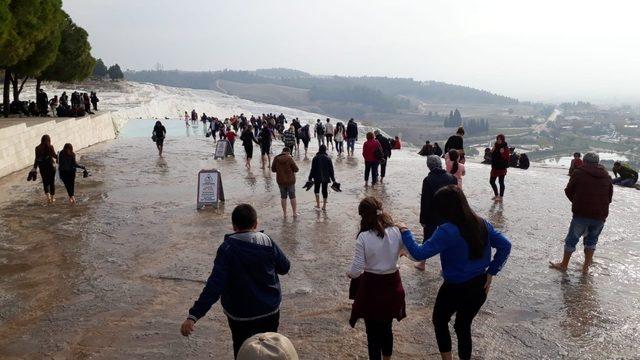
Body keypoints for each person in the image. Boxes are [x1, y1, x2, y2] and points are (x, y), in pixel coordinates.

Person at [400, 185, 511, 360]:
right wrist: (491, 272)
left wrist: (405, 232)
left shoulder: (446, 231)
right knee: (463, 326)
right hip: (479, 285)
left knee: (439, 321)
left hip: (454, 288)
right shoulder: (481, 222)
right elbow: (506, 245)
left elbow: (419, 253)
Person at [181, 204, 291, 358]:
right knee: (270, 352)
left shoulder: (227, 249)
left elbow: (214, 286)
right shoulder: (266, 241)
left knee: (242, 352)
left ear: (233, 226)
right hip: (269, 310)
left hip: (240, 315)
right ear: (256, 224)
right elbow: (285, 267)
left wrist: (193, 316)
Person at [348, 197, 408, 360]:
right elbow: (409, 253)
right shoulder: (396, 231)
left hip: (371, 289)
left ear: (363, 216)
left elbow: (356, 270)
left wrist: (349, 273)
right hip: (393, 285)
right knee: (387, 328)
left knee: (372, 333)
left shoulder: (363, 237)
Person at [550, 153, 613, 273]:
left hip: (582, 213)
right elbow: (609, 197)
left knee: (571, 239)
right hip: (600, 215)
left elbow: (568, 190)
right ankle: (585, 268)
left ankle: (564, 265)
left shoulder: (578, 173)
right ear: (597, 163)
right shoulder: (607, 176)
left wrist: (577, 202)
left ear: (584, 161)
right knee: (592, 240)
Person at [414, 156, 458, 271]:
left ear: (429, 166)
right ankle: (446, 268)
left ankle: (422, 263)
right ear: (440, 164)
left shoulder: (428, 180)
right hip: (449, 215)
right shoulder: (452, 178)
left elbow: (425, 201)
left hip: (432, 215)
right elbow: (456, 198)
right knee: (448, 240)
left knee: (427, 239)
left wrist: (423, 219)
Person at [271, 148, 299, 218]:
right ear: (288, 152)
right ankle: (294, 213)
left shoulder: (276, 158)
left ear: (282, 151)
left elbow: (273, 170)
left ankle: (285, 214)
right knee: (292, 197)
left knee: (283, 197)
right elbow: (296, 169)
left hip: (281, 181)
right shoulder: (289, 158)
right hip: (290, 181)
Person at [308, 145, 335, 211]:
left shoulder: (315, 158)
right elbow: (331, 170)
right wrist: (333, 179)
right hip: (325, 177)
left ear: (319, 149)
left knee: (316, 190)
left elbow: (312, 169)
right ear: (325, 150)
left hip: (316, 177)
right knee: (324, 191)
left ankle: (318, 204)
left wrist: (310, 178)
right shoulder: (328, 158)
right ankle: (324, 206)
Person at [32, 135, 58, 204]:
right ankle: (52, 198)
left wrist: (34, 168)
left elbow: (36, 159)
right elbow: (54, 156)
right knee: (52, 182)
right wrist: (59, 156)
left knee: (45, 182)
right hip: (51, 166)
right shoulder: (50, 147)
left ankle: (48, 197)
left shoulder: (37, 148)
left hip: (42, 167)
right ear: (49, 140)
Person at [490, 134, 509, 201]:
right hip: (495, 166)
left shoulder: (505, 147)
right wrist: (492, 151)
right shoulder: (495, 146)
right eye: (497, 139)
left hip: (501, 167)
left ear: (502, 140)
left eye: (500, 139)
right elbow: (492, 155)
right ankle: (496, 195)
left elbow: (507, 157)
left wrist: (502, 153)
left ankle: (501, 197)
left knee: (501, 182)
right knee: (491, 181)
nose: (498, 140)